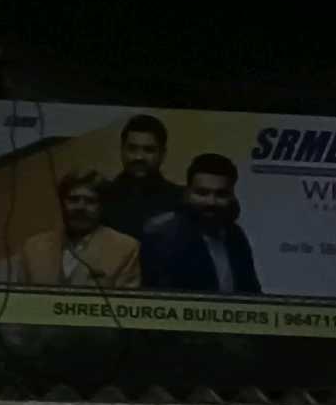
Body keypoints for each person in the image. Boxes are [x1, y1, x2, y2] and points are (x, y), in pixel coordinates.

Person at [140, 155, 263, 294]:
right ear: (187, 193)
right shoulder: (163, 237)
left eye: (221, 194)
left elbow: (252, 293)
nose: (211, 202)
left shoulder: (235, 235)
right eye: (202, 193)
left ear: (232, 196)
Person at [17, 170, 142, 289]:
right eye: (73, 199)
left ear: (102, 207)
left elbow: (124, 302)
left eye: (90, 201)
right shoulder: (33, 247)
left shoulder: (125, 248)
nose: (80, 207)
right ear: (62, 204)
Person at [97, 113, 183, 240]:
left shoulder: (180, 200)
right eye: (132, 148)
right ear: (122, 150)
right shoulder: (101, 197)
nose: (139, 157)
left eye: (148, 150)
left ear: (162, 154)